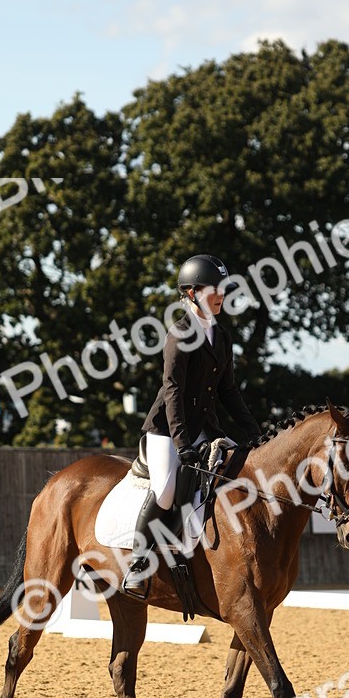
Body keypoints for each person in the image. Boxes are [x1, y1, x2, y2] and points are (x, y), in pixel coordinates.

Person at [122, 253, 261, 598]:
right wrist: (182, 442)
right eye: (215, 288)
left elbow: (228, 391)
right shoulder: (179, 333)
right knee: (167, 488)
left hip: (205, 426)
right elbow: (173, 392)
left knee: (240, 472)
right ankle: (139, 564)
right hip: (167, 428)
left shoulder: (222, 336)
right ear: (191, 292)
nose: (221, 295)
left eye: (224, 289)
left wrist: (255, 432)